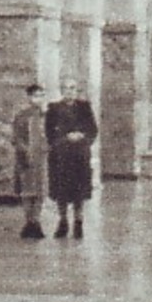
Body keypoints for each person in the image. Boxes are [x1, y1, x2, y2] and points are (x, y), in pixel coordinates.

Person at [45, 77, 98, 239]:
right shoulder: (53, 108)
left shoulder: (84, 107)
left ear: (77, 90)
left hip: (79, 155)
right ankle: (63, 221)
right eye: (67, 88)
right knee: (61, 190)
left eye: (73, 88)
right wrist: (65, 138)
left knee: (79, 190)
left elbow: (93, 129)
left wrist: (82, 136)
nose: (70, 91)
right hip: (61, 156)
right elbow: (49, 132)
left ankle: (78, 222)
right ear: (62, 91)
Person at [11, 83, 50, 238]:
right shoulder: (21, 116)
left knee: (40, 191)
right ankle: (29, 221)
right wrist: (24, 150)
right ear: (29, 97)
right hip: (26, 158)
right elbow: (16, 138)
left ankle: (36, 220)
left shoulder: (46, 116)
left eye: (41, 95)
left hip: (42, 158)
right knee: (27, 192)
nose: (38, 99)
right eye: (35, 95)